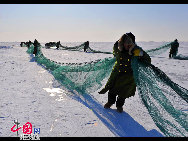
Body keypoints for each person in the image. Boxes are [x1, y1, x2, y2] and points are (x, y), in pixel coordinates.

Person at [98, 33, 151, 113]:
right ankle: (110, 102)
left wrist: (140, 53)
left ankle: (119, 106)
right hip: (117, 74)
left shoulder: (136, 51)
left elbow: (147, 60)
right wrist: (119, 43)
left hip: (129, 77)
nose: (128, 45)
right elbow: (114, 53)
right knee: (112, 90)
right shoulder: (118, 48)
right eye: (127, 42)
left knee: (123, 93)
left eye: (131, 43)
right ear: (123, 42)